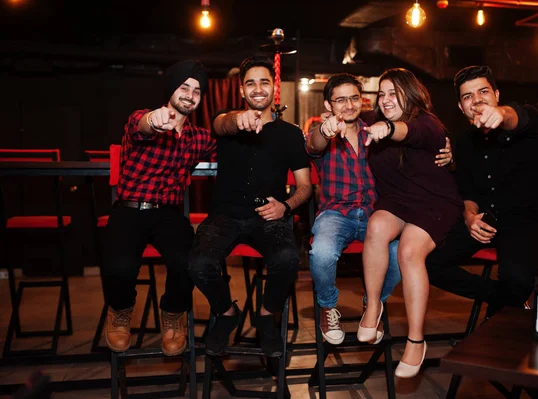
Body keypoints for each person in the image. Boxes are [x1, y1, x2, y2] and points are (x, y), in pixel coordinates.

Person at [306, 73, 453, 345]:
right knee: (321, 252)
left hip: (375, 213)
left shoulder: (373, 127)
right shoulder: (324, 131)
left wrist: (449, 150)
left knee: (399, 257)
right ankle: (327, 307)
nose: (348, 105)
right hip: (336, 214)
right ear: (328, 105)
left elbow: (416, 132)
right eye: (340, 100)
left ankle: (372, 304)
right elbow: (314, 143)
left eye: (354, 98)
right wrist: (324, 131)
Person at [188, 55, 312, 358]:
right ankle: (226, 312)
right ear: (242, 91)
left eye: (264, 82)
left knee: (287, 258)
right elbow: (221, 123)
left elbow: (306, 186)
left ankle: (267, 316)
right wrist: (238, 120)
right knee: (198, 263)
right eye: (250, 83)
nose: (258, 89)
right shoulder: (227, 122)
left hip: (267, 215)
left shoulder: (291, 133)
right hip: (225, 215)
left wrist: (285, 205)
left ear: (274, 88)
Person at [425, 66, 538, 326]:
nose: (477, 100)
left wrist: (500, 114)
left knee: (515, 277)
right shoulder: (464, 143)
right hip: (488, 221)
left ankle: (501, 309)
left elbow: (513, 116)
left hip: (529, 223)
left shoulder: (527, 120)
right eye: (468, 96)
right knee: (428, 262)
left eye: (483, 92)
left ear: (496, 94)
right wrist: (470, 217)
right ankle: (505, 301)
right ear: (461, 107)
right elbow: (468, 190)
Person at [102, 59, 216, 356]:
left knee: (186, 261)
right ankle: (121, 311)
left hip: (167, 212)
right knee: (119, 265)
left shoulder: (199, 138)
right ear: (171, 90)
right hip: (128, 208)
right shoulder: (141, 118)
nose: (190, 95)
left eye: (197, 91)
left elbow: (229, 144)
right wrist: (154, 121)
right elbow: (142, 125)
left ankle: (174, 314)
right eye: (184, 87)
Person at [358, 68, 463, 378]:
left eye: (394, 93)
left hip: (435, 202)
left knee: (408, 251)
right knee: (376, 225)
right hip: (397, 202)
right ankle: (373, 306)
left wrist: (388, 129)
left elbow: (410, 133)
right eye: (382, 94)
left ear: (411, 94)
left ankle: (416, 340)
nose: (386, 99)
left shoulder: (427, 124)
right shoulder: (374, 125)